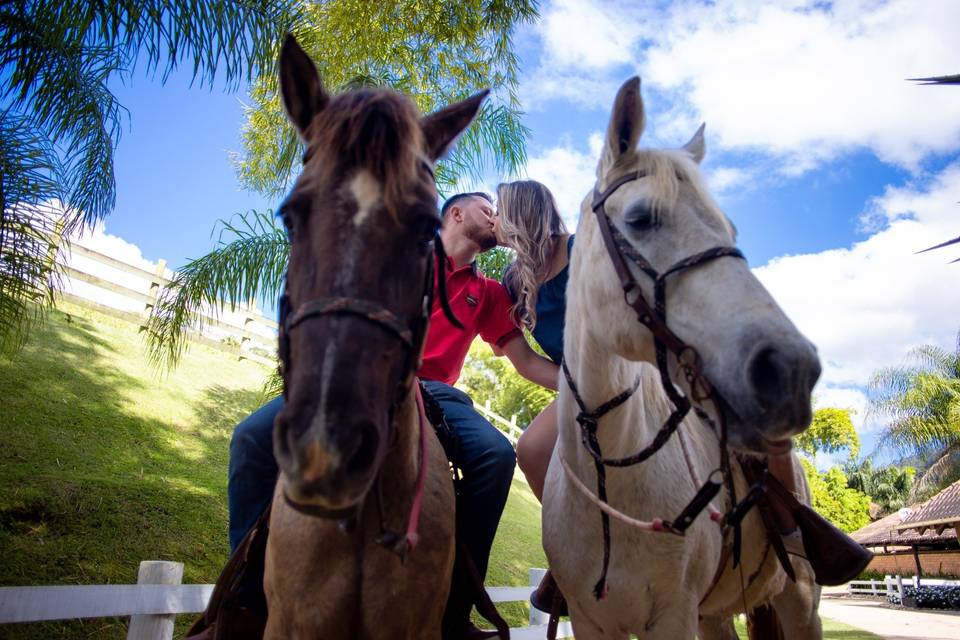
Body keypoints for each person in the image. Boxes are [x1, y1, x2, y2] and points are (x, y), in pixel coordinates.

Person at [493, 179, 872, 611]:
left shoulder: (586, 246)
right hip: (581, 385)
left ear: (521, 213)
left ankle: (794, 526)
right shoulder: (512, 280)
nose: (493, 221)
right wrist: (584, 385)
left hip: (643, 365)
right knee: (530, 447)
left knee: (744, 414)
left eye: (499, 211)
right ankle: (576, 544)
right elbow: (526, 362)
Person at [227, 191, 559, 640]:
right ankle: (243, 598)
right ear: (456, 214)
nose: (497, 217)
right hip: (361, 373)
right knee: (250, 437)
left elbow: (529, 365)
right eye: (488, 209)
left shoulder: (490, 293)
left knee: (496, 456)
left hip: (437, 395)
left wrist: (592, 383)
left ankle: (454, 612)